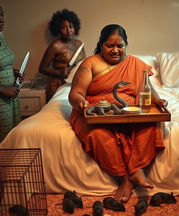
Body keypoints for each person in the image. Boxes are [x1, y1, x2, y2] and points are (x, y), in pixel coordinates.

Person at [69, 24, 168, 202]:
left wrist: (158, 100)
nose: (115, 50)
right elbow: (75, 93)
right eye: (110, 45)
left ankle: (137, 169)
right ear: (101, 45)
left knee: (151, 126)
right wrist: (81, 103)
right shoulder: (90, 63)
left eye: (120, 46)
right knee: (99, 135)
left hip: (129, 113)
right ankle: (125, 179)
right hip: (96, 113)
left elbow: (148, 89)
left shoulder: (135, 64)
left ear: (125, 45)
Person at [0, 0, 22, 146]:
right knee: (2, 140)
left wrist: (14, 72)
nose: (2, 20)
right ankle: (1, 169)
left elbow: (0, 64)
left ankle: (12, 166)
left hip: (11, 94)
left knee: (14, 134)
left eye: (2, 15)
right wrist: (3, 89)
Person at [39, 9, 86, 101]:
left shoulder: (79, 44)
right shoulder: (55, 46)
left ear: (75, 27)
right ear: (58, 30)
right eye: (64, 28)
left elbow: (83, 63)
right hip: (57, 85)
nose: (68, 31)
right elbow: (42, 68)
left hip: (75, 84)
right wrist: (59, 72)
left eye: (71, 27)